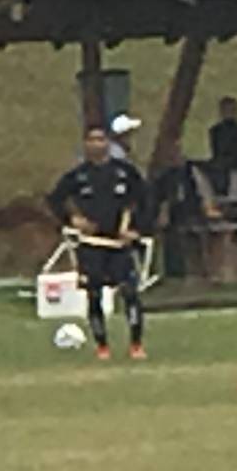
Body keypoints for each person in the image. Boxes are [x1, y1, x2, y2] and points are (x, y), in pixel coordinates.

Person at [48, 128, 150, 361]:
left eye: (101, 139)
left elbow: (145, 200)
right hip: (91, 244)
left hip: (119, 244)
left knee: (130, 292)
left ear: (108, 143)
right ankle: (102, 346)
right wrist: (73, 219)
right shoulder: (78, 176)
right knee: (94, 294)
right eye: (92, 140)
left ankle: (136, 344)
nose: (96, 144)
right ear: (85, 144)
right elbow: (55, 200)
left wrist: (136, 229)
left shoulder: (125, 172)